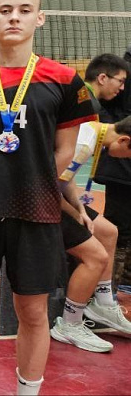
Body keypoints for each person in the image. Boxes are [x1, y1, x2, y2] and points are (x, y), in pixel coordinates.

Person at [0, 0, 96, 396]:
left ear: (39, 18)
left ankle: (27, 391)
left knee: (32, 309)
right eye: (6, 10)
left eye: (25, 10)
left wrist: (31, 181)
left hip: (38, 210)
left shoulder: (64, 80)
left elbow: (66, 149)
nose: (15, 17)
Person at [52, 113, 131, 352]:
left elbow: (64, 180)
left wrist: (78, 209)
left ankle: (103, 304)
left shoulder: (91, 133)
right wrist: (76, 215)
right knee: (96, 256)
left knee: (108, 232)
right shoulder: (83, 143)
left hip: (52, 194)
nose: (127, 159)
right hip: (34, 201)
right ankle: (69, 323)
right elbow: (47, 186)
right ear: (124, 140)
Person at [89, 52, 131, 290]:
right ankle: (107, 287)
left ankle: (120, 281)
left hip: (120, 150)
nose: (121, 87)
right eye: (120, 82)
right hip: (120, 163)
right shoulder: (124, 74)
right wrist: (111, 131)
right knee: (116, 227)